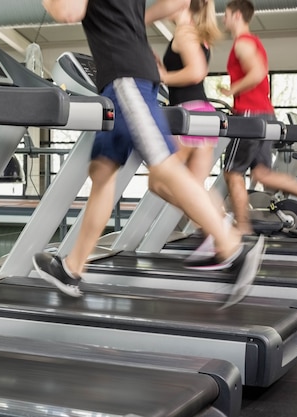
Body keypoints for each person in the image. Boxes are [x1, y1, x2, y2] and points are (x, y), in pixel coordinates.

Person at [34, 0, 265, 309]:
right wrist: (132, 20)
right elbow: (178, 1)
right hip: (123, 76)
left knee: (164, 167)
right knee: (102, 172)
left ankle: (232, 247)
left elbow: (68, 12)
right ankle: (72, 268)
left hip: (125, 75)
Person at [220, 0, 297, 235]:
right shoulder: (254, 42)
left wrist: (233, 90)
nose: (223, 19)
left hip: (250, 117)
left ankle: (242, 227)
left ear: (235, 15)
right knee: (263, 175)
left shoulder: (243, 42)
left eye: (226, 14)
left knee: (232, 172)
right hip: (264, 114)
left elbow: (257, 72)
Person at [147, 0, 228, 256]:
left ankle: (216, 227)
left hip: (188, 115)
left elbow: (196, 72)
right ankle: (218, 227)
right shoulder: (197, 33)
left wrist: (163, 77)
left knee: (158, 182)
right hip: (201, 114)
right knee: (194, 186)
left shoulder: (185, 31)